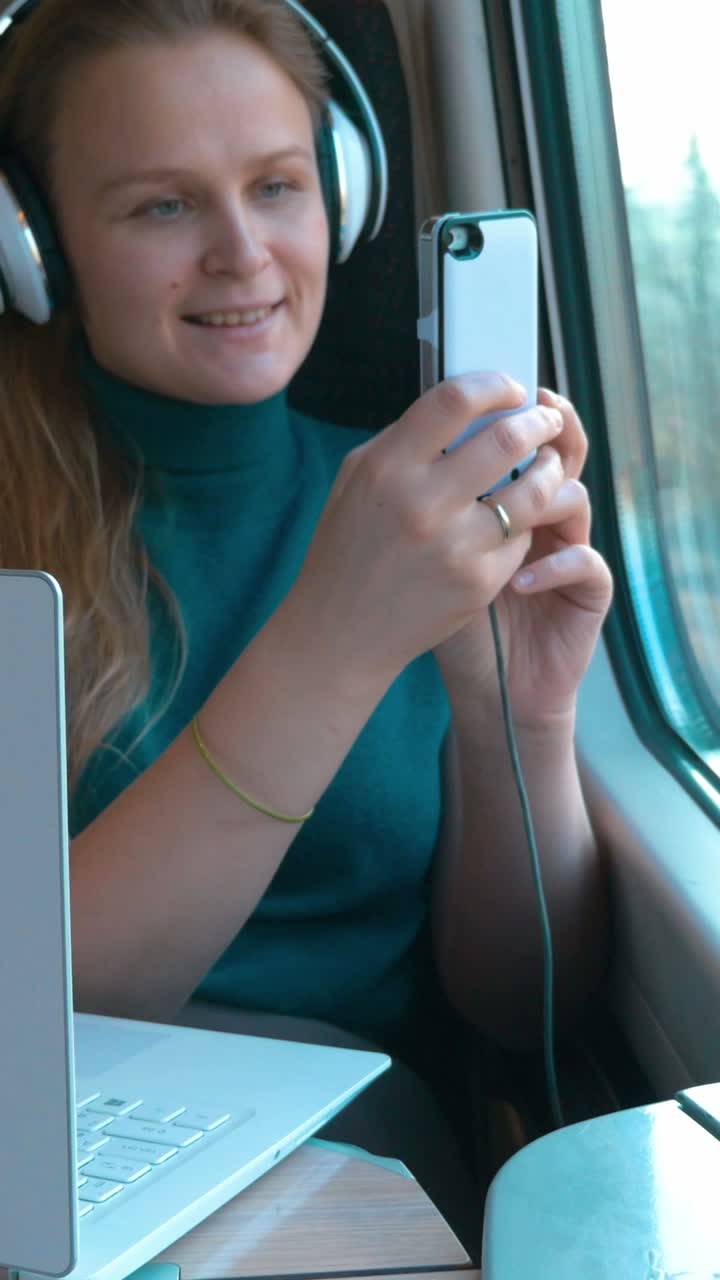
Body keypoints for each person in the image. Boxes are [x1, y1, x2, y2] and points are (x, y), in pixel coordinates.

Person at [0, 0, 613, 1256]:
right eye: (161, 205)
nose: (242, 252)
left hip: (347, 1151)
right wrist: (333, 639)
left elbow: (514, 1005)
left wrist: (521, 716)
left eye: (277, 185)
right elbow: (33, 1036)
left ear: (345, 191)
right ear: (34, 248)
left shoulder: (420, 513)